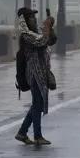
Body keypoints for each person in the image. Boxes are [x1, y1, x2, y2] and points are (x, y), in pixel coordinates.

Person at [14, 8, 56, 146]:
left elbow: (50, 40)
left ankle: (22, 132)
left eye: (34, 16)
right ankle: (37, 136)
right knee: (37, 103)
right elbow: (41, 42)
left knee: (37, 103)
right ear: (25, 20)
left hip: (42, 72)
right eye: (31, 17)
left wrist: (51, 27)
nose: (34, 19)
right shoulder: (26, 35)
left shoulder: (37, 31)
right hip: (34, 73)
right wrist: (46, 27)